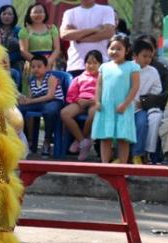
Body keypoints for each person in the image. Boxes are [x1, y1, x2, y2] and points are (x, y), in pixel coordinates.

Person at [92, 34, 140, 164]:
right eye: (112, 48)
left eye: (119, 49)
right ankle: (104, 164)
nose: (115, 51)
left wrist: (125, 104)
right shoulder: (104, 67)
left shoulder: (133, 66)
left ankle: (122, 166)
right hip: (106, 106)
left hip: (123, 107)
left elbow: (135, 87)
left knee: (123, 137)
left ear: (127, 50)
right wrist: (97, 101)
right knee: (105, 136)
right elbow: (99, 85)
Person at [60, 0, 116, 77]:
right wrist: (95, 29)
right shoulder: (70, 13)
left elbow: (108, 33)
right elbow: (64, 34)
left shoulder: (106, 10)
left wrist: (79, 37)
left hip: (101, 63)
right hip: (76, 64)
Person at [18, 55, 64, 156]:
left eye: (39, 66)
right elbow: (31, 97)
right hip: (39, 102)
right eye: (33, 67)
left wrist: (31, 101)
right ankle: (22, 139)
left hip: (54, 101)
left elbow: (50, 96)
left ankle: (47, 141)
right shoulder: (32, 81)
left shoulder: (51, 78)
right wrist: (25, 100)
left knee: (50, 111)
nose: (36, 69)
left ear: (46, 67)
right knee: (19, 109)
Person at [61, 50, 103, 160]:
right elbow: (71, 95)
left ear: (100, 64)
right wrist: (78, 100)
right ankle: (83, 141)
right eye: (88, 63)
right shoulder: (79, 78)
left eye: (95, 63)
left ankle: (81, 141)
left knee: (93, 114)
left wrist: (95, 99)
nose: (91, 66)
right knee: (64, 113)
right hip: (80, 102)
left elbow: (106, 92)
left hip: (95, 101)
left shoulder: (102, 78)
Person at [130, 38, 162, 164]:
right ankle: (120, 155)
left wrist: (144, 99)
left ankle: (137, 154)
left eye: (150, 56)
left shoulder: (153, 71)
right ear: (135, 55)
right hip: (125, 107)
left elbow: (157, 88)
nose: (147, 59)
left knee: (142, 124)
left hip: (140, 108)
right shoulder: (127, 68)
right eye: (144, 56)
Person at [19, 2, 60, 71]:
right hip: (32, 65)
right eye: (35, 12)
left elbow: (57, 49)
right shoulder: (24, 31)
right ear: (29, 15)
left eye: (41, 12)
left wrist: (48, 62)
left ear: (45, 14)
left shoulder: (52, 29)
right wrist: (38, 63)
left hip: (50, 64)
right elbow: (23, 51)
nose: (38, 15)